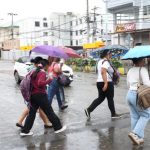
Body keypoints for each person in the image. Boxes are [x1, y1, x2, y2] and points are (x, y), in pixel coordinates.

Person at [20, 59, 66, 136]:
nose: (49, 67)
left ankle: (25, 131)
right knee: (49, 111)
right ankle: (58, 128)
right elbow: (40, 83)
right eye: (48, 66)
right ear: (46, 66)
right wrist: (49, 79)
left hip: (33, 95)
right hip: (40, 95)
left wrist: (47, 77)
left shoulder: (34, 71)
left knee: (31, 113)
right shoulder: (42, 73)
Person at [16, 57, 52, 129]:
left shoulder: (33, 68)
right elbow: (39, 83)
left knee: (33, 108)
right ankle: (46, 123)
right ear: (38, 64)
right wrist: (48, 79)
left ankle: (20, 121)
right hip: (35, 92)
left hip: (31, 92)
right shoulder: (36, 70)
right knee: (34, 109)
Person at [84, 50, 121, 119]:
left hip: (99, 82)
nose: (111, 55)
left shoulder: (100, 61)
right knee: (110, 98)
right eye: (110, 54)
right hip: (107, 82)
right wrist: (106, 83)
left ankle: (89, 110)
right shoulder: (106, 62)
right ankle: (113, 114)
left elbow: (103, 72)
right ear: (107, 54)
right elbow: (103, 72)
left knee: (100, 98)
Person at [126, 58, 150, 145]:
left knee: (135, 116)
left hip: (129, 94)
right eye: (143, 60)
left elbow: (128, 84)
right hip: (138, 95)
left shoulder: (130, 70)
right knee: (146, 115)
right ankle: (135, 133)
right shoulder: (142, 69)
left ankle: (138, 138)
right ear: (139, 61)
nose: (144, 61)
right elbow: (147, 84)